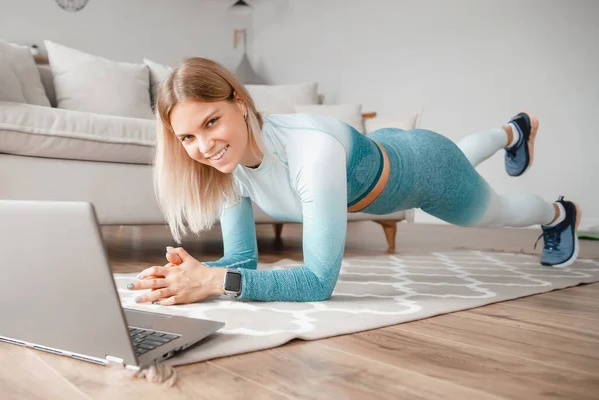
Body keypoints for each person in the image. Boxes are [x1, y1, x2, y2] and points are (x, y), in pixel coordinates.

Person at [127, 57, 581, 305]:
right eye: (187, 136)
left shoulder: (310, 153)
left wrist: (212, 283)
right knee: (462, 155)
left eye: (211, 123)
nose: (203, 147)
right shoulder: (226, 169)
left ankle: (559, 214)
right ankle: (512, 131)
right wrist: (187, 277)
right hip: (388, 151)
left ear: (240, 104)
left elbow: (318, 283)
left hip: (424, 172)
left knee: (494, 213)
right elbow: (242, 260)